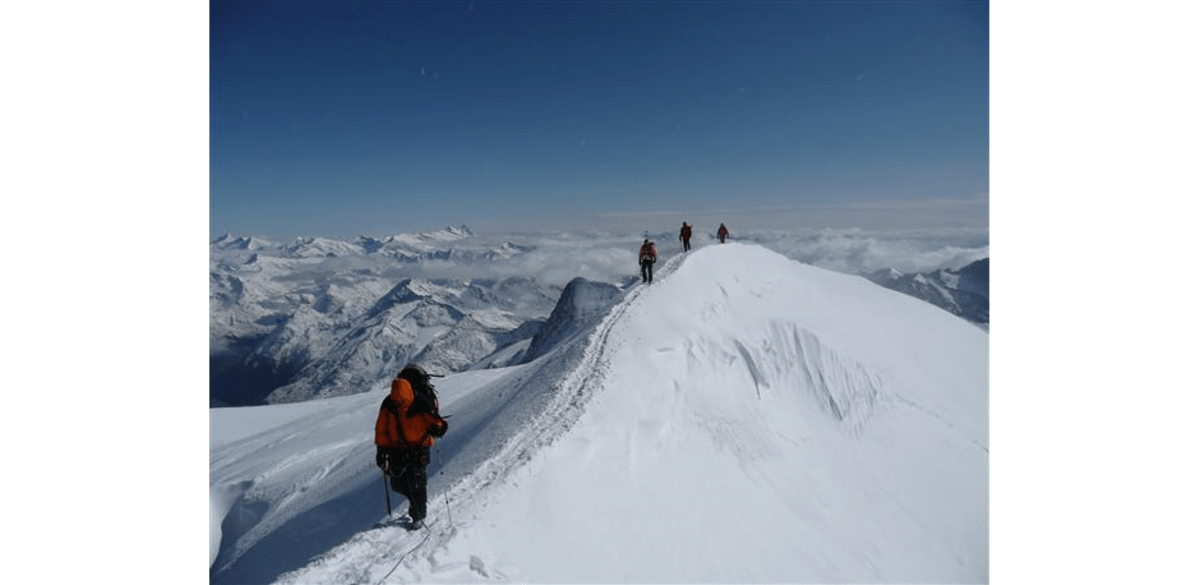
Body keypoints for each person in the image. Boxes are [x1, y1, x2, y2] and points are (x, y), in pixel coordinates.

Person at [375, 364, 449, 530]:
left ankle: (417, 515)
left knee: (408, 484)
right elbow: (382, 429)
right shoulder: (401, 402)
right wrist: (382, 451)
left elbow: (382, 429)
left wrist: (382, 450)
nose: (400, 402)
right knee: (407, 484)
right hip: (408, 450)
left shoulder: (402, 402)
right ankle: (417, 509)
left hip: (407, 449)